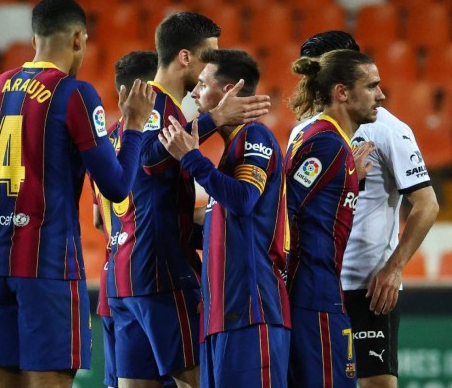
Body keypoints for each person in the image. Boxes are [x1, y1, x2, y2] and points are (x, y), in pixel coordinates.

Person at [0, 0, 156, 388]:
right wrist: (133, 127)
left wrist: (6, 210)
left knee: (4, 382)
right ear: (79, 39)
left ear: (34, 41)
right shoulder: (74, 93)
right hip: (47, 267)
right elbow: (115, 187)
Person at [105, 12, 272, 388]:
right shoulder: (159, 106)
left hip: (126, 275)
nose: (211, 65)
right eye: (207, 55)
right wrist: (213, 118)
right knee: (201, 380)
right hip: (162, 273)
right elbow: (149, 159)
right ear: (184, 57)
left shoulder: (130, 119)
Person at [291, 31, 439, 388]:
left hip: (368, 286)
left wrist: (394, 269)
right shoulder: (303, 132)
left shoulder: (388, 130)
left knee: (376, 384)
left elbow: (426, 203)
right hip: (316, 283)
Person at [158, 49, 291, 388]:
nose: (194, 93)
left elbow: (245, 200)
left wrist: (191, 158)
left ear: (229, 90)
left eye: (202, 85)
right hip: (222, 314)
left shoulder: (255, 136)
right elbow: (227, 219)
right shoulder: (229, 153)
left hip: (252, 309)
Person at [285, 49, 386, 387]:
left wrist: (351, 178)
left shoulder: (331, 144)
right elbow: (285, 212)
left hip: (319, 290)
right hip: (313, 294)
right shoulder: (327, 145)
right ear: (342, 92)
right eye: (371, 86)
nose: (381, 96)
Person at [91, 50, 168, 388]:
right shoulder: (157, 137)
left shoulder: (105, 141)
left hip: (112, 282)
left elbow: (97, 218)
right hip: (148, 277)